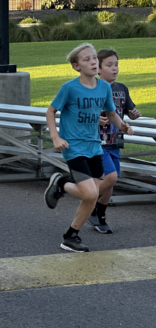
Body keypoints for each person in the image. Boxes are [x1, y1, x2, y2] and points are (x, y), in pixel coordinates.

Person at [44, 42, 133, 253]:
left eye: (94, 58)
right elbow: (50, 112)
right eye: (87, 59)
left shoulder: (104, 87)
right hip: (73, 146)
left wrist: (122, 125)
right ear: (76, 66)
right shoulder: (69, 88)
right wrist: (55, 137)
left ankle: (70, 230)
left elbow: (110, 112)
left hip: (95, 146)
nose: (93, 62)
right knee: (91, 194)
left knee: (90, 194)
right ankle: (69, 230)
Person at [87, 49, 141, 234]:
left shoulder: (122, 88)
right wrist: (95, 119)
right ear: (99, 69)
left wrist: (133, 115)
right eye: (109, 65)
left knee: (110, 183)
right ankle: (87, 199)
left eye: (116, 64)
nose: (114, 68)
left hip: (115, 141)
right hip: (96, 142)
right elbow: (81, 114)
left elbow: (127, 111)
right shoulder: (93, 89)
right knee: (111, 177)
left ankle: (99, 216)